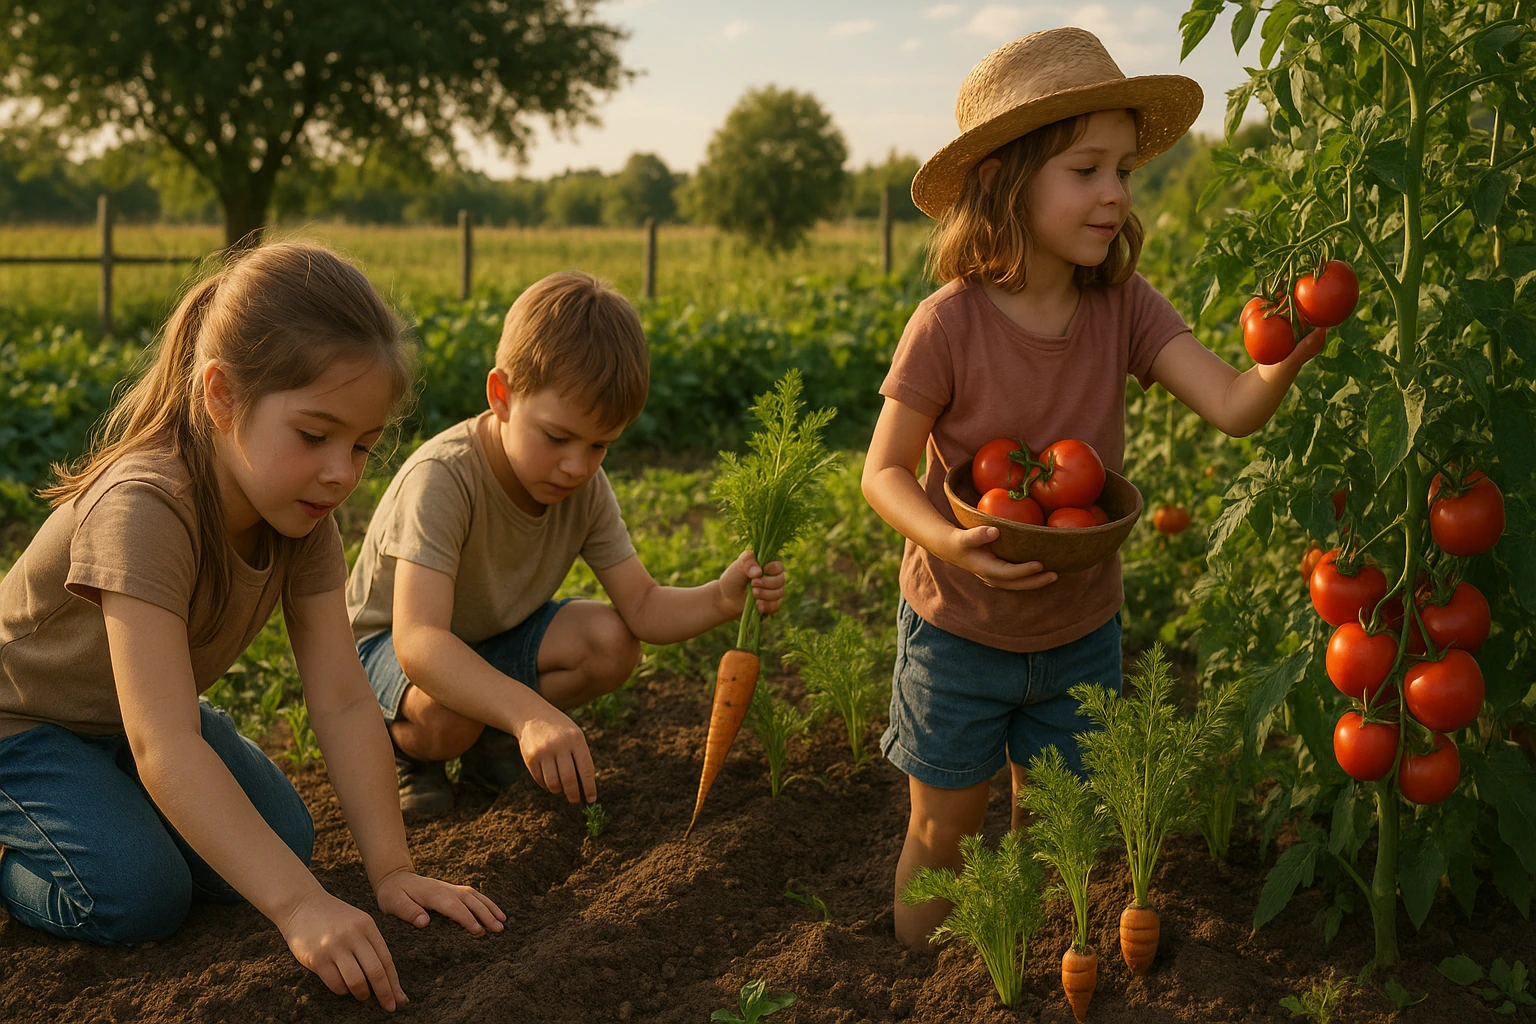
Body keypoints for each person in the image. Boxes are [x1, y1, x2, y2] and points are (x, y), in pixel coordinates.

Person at [860, 27, 1327, 950]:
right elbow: (881, 472)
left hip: (1081, 635)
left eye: (1125, 170)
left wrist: (1287, 349)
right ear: (1005, 181)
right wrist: (951, 542)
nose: (1116, 192)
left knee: (1058, 834)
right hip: (957, 632)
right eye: (1087, 170)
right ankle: (925, 984)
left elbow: (1232, 404)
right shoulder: (947, 324)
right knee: (943, 833)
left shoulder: (1126, 306)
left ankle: (1018, 975)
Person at [0, 242, 504, 1011]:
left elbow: (339, 698)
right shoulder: (144, 506)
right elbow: (162, 742)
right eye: (314, 435)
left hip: (129, 724)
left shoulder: (303, 520)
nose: (341, 471)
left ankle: (111, 810)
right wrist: (301, 908)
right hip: (24, 728)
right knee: (140, 896)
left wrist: (392, 870)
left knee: (285, 842)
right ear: (222, 396)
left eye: (362, 446)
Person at [346, 270, 785, 818]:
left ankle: (490, 744)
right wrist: (527, 711)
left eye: (599, 445)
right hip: (388, 650)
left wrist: (721, 598)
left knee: (611, 642)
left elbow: (643, 608)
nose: (577, 465)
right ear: (501, 396)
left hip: (487, 639)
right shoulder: (444, 478)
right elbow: (421, 642)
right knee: (448, 715)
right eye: (557, 437)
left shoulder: (582, 489)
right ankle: (407, 754)